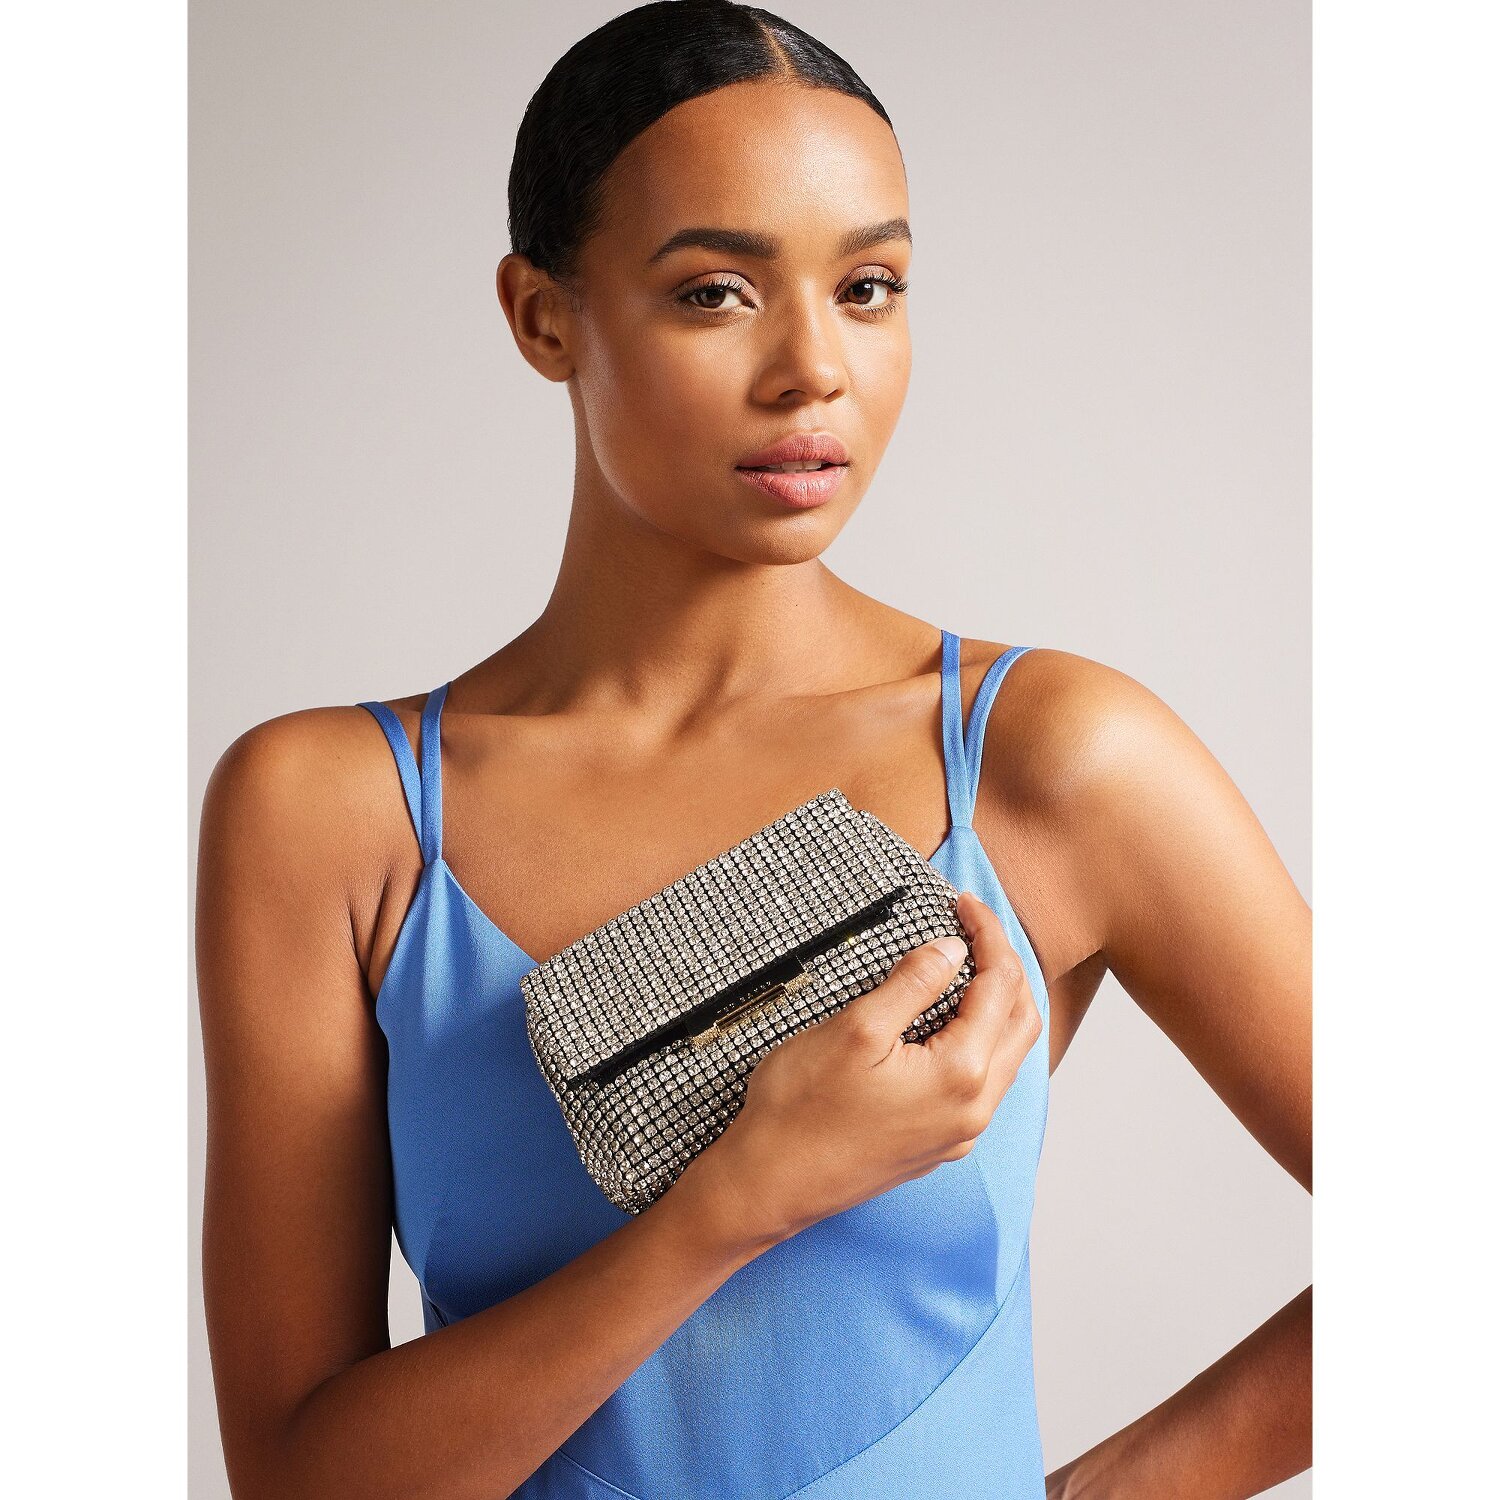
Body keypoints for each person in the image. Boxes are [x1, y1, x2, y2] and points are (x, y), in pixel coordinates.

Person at [195, 3, 1311, 1496]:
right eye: (716, 292)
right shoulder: (331, 817)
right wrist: (736, 1200)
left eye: (867, 287)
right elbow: (295, 1481)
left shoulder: (1050, 762)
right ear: (542, 317)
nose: (813, 369)